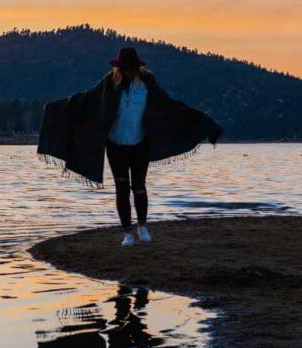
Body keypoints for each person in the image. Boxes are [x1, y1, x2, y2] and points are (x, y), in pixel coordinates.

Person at [38, 47, 222, 247]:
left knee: (139, 187)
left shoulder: (147, 83)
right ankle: (127, 232)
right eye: (125, 68)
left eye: (130, 68)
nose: (128, 71)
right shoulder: (109, 83)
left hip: (140, 143)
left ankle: (142, 226)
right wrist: (55, 108)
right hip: (115, 144)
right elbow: (86, 100)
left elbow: (169, 107)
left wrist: (205, 123)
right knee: (122, 188)